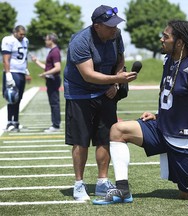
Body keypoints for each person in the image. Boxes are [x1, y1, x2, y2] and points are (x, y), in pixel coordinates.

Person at [93, 20, 188, 205]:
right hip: (163, 129)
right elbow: (176, 99)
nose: (162, 39)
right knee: (118, 130)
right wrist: (159, 116)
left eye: (166, 36)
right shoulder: (169, 60)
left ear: (180, 42)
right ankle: (122, 190)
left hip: (187, 140)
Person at [63, 5, 137, 201]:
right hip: (79, 94)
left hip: (105, 91)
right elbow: (88, 75)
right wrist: (117, 80)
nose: (114, 29)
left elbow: (120, 59)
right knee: (81, 140)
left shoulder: (116, 34)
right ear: (97, 26)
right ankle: (78, 184)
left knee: (105, 137)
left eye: (115, 25)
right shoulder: (80, 41)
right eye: (110, 25)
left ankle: (102, 182)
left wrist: (115, 81)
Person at [1, 25, 30, 132]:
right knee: (11, 97)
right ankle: (10, 122)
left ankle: (16, 122)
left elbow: (25, 57)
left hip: (21, 72)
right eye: (20, 34)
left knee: (19, 98)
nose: (22, 36)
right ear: (15, 32)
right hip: (12, 72)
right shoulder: (8, 40)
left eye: (24, 34)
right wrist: (8, 74)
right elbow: (6, 59)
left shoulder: (25, 40)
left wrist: (26, 70)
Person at [31, 33, 62, 133]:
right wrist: (37, 62)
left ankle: (56, 125)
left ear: (51, 40)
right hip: (51, 80)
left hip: (53, 80)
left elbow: (58, 68)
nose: (45, 41)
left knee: (54, 103)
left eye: (46, 39)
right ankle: (55, 124)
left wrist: (45, 73)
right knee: (53, 103)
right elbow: (48, 67)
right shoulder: (52, 51)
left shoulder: (55, 52)